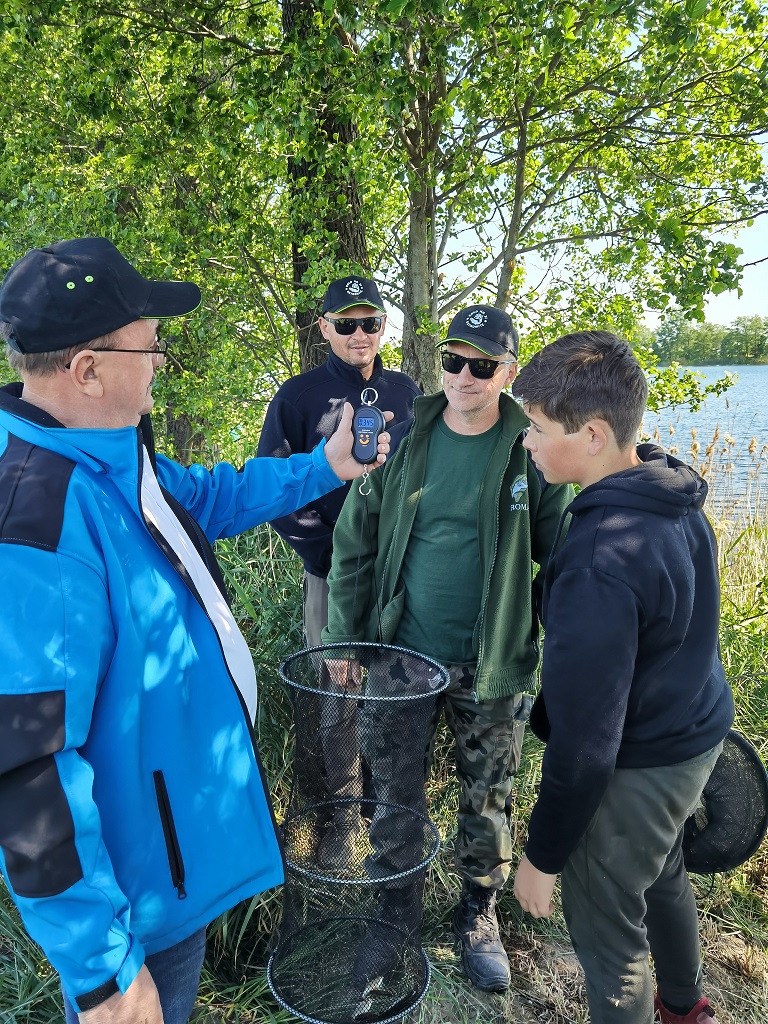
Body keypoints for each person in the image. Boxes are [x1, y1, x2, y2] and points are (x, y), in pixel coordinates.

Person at [0, 238, 392, 1024]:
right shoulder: (36, 527)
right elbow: (25, 771)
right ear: (88, 368)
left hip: (173, 856)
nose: (158, 363)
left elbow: (207, 499)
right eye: (150, 346)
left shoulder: (112, 458)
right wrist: (104, 974)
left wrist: (325, 466)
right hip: (138, 894)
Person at [321, 305, 574, 992]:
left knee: (488, 795)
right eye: (453, 361)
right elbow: (355, 539)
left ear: (508, 373)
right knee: (395, 790)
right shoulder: (406, 438)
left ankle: (477, 915)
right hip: (403, 653)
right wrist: (343, 636)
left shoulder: (534, 450)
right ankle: (394, 911)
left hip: (492, 659)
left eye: (482, 365)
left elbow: (565, 557)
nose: (464, 376)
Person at [510, 331, 734, 1024]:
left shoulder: (600, 560)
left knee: (610, 934)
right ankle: (684, 1005)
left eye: (538, 428)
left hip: (641, 763)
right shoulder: (667, 485)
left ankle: (654, 1005)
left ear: (595, 434)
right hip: (695, 734)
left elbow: (584, 745)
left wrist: (543, 858)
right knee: (661, 870)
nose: (528, 443)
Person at [256, 275, 420, 854]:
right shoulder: (297, 399)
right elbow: (276, 491)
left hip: (400, 576)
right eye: (346, 324)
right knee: (338, 692)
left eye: (370, 323)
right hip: (330, 572)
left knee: (395, 689)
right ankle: (342, 821)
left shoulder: (407, 393)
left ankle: (391, 817)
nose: (359, 334)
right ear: (325, 329)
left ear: (383, 328)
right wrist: (329, 555)